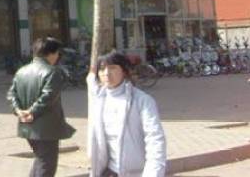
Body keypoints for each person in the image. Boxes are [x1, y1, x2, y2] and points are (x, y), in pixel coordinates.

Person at [87, 51, 166, 177]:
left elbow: (155, 140)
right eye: (102, 69)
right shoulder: (99, 100)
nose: (106, 73)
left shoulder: (142, 101)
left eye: (112, 68)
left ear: (124, 71)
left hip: (137, 173)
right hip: (109, 172)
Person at [8, 37, 76, 177]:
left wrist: (19, 111)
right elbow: (48, 96)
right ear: (51, 53)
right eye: (57, 53)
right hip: (46, 127)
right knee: (47, 164)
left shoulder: (21, 71)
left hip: (27, 125)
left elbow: (12, 94)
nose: (58, 57)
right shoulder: (52, 72)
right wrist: (32, 112)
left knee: (40, 160)